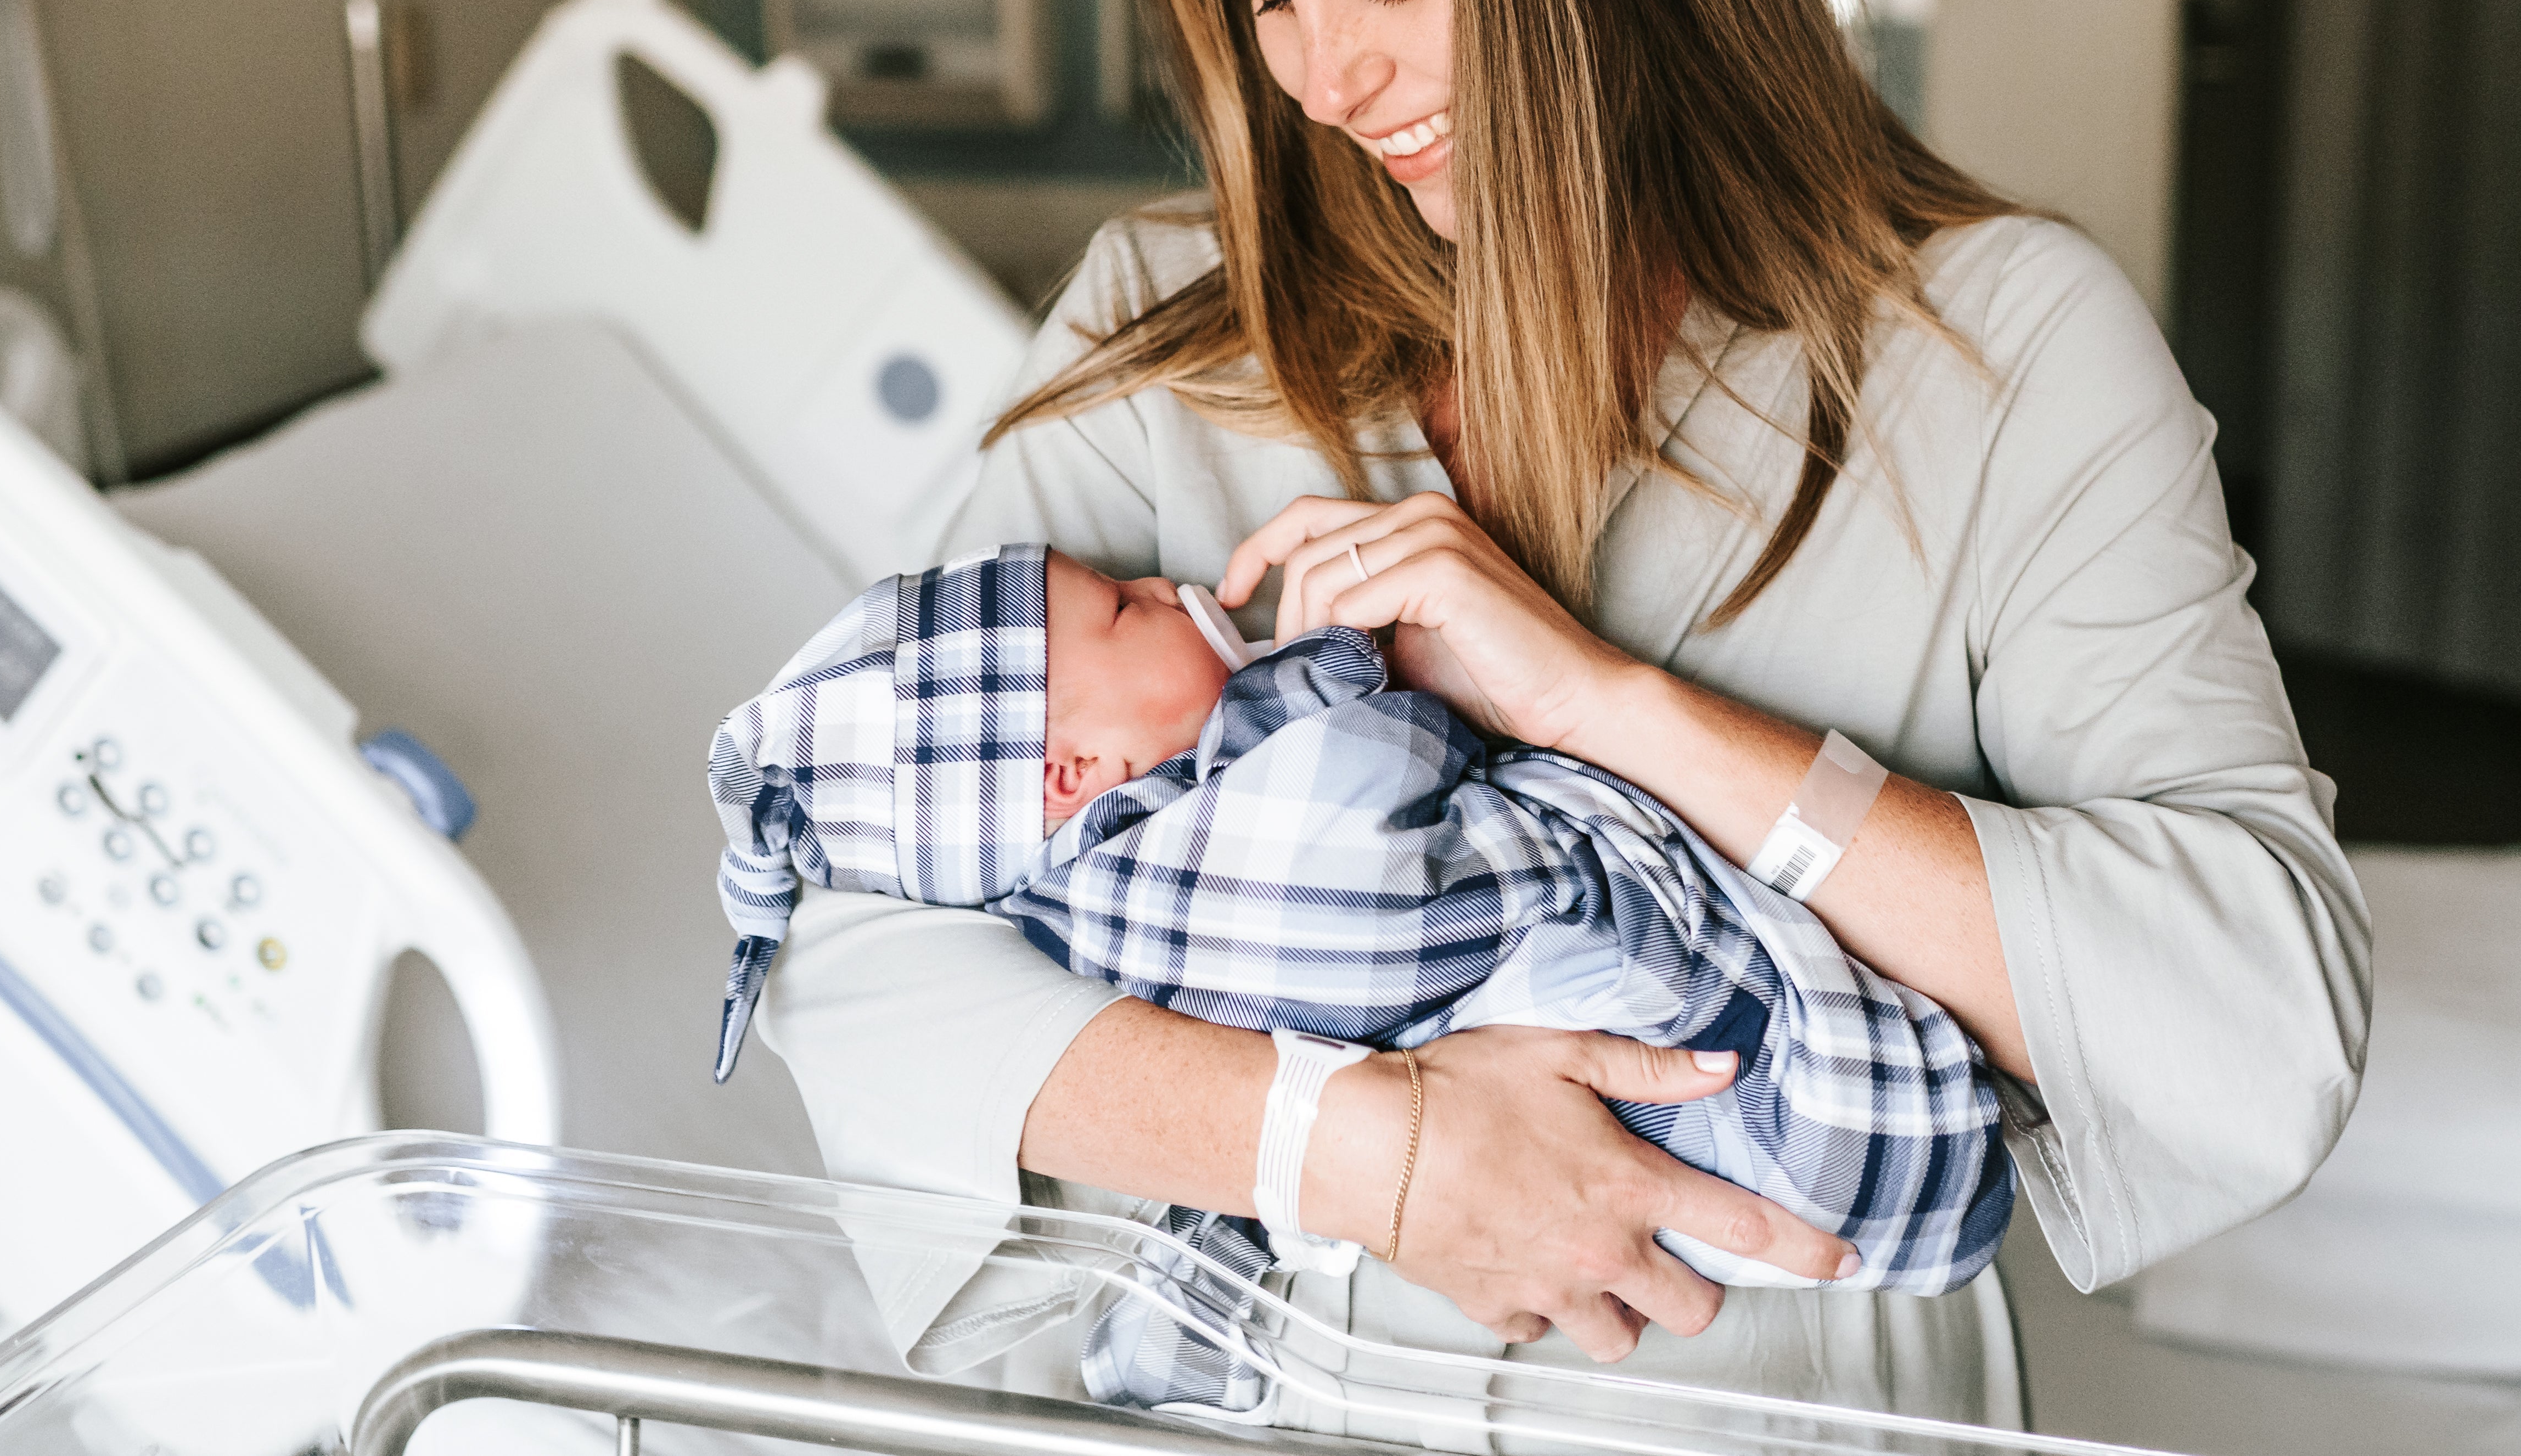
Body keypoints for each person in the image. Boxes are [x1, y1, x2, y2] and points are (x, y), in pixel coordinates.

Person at [750, 0, 2371, 1429]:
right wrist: (1361, 1149)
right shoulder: (1162, 328)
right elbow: (830, 916)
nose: (1320, 79)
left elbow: (2252, 1027)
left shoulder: (2000, 353)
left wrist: (1624, 711)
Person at [704, 544, 2014, 1408]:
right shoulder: (1146, 875)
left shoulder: (1150, 771)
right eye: (1120, 605)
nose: (1163, 582)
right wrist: (1341, 677)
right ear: (1069, 777)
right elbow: (1377, 891)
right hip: (1592, 1212)